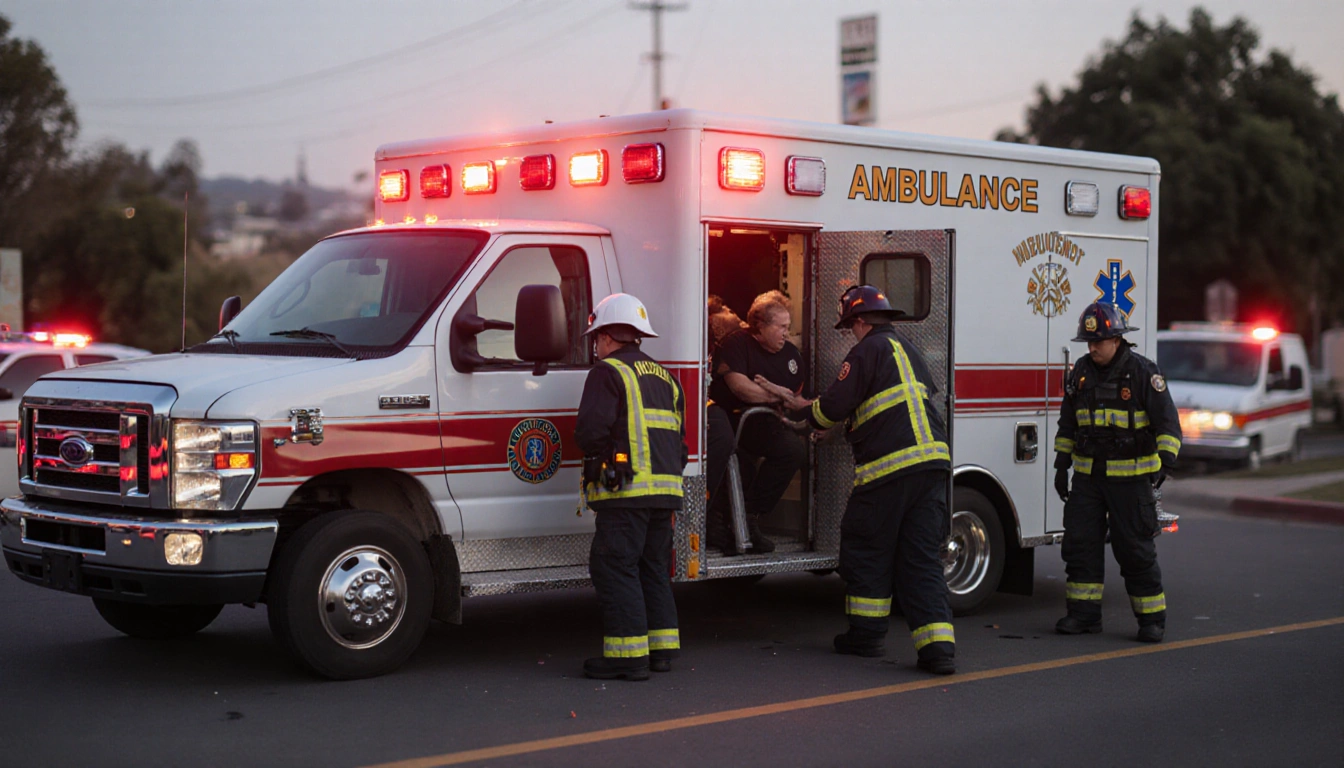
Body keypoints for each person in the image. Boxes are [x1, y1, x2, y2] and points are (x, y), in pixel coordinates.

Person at [788, 285, 956, 675]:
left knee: (867, 548)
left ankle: (865, 637)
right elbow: (888, 405)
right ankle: (939, 649)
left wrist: (808, 419)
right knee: (920, 559)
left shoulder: (866, 350)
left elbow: (833, 405)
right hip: (932, 466)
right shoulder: (907, 349)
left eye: (850, 325)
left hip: (889, 471)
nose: (851, 332)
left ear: (861, 321)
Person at [575, 293, 689, 681]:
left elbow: (590, 432)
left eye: (597, 338)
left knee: (614, 566)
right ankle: (660, 651)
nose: (597, 347)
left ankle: (627, 657)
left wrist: (603, 458)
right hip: (664, 493)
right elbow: (681, 443)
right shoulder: (668, 379)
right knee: (652, 568)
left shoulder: (607, 372)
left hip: (625, 493)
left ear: (607, 336)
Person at [1053, 302, 1182, 643]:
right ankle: (1083, 615)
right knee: (1080, 546)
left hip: (1131, 480)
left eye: (1099, 341)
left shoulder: (1143, 373)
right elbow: (1069, 422)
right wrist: (1061, 462)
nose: (1092, 347)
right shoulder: (1079, 373)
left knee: (1135, 551)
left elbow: (1168, 423)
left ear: (1118, 339)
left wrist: (1165, 461)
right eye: (1089, 341)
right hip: (1088, 479)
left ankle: (1152, 620)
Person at [706, 290, 810, 554]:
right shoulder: (736, 344)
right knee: (738, 462)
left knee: (793, 452)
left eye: (788, 327)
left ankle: (750, 516)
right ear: (760, 326)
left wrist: (782, 395)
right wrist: (777, 393)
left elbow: (795, 399)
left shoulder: (791, 356)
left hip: (765, 420)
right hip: (729, 419)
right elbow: (741, 389)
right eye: (781, 327)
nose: (786, 333)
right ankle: (716, 522)